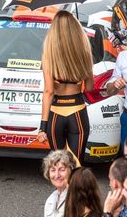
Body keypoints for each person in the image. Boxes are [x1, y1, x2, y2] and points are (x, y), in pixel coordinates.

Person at [37, 11, 94, 165]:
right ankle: (75, 189)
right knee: (76, 164)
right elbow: (89, 87)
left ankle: (62, 190)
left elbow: (48, 92)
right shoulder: (85, 53)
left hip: (56, 114)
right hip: (77, 111)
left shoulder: (49, 56)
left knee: (58, 165)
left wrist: (43, 127)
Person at [42, 150, 76, 217]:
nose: (57, 175)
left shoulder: (77, 198)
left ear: (71, 171)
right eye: (53, 170)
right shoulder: (51, 199)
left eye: (62, 170)